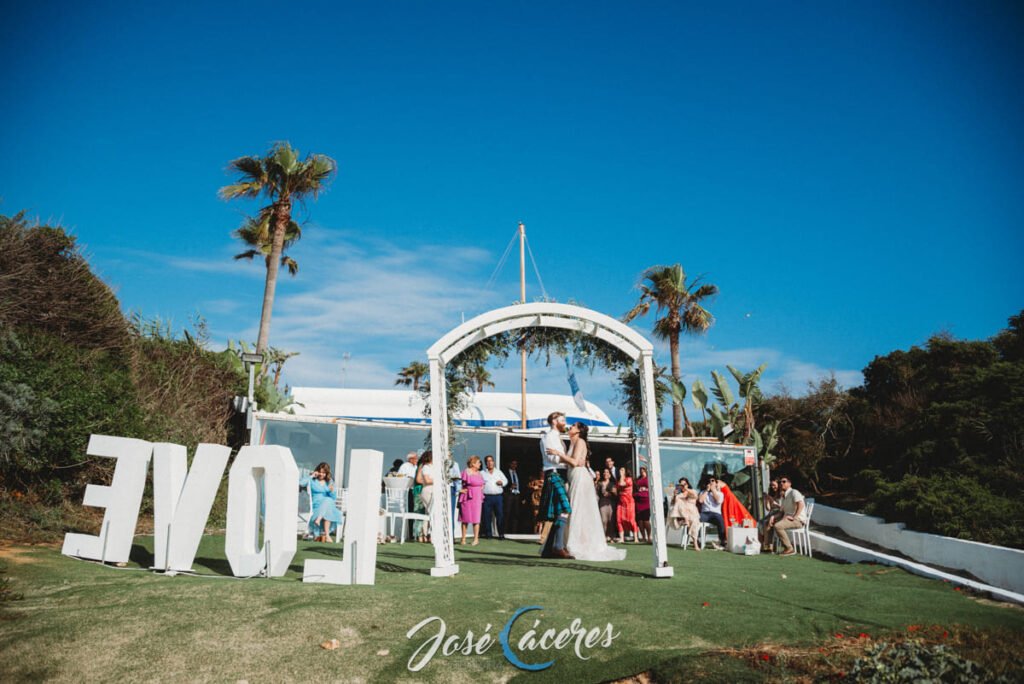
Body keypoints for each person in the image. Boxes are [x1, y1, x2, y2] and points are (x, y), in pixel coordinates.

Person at [564, 423, 627, 561]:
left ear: (579, 431)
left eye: (573, 426)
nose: (570, 427)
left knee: (578, 508)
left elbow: (575, 462)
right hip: (573, 476)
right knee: (576, 509)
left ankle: (578, 544)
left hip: (580, 477)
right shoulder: (571, 443)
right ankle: (576, 541)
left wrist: (559, 454)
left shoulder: (580, 441)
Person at [538, 411, 574, 558]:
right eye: (562, 420)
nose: (565, 423)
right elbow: (552, 458)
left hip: (561, 474)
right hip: (554, 474)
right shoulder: (548, 437)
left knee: (559, 512)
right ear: (554, 421)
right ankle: (558, 547)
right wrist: (572, 460)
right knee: (564, 509)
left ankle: (549, 550)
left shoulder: (558, 438)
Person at [301, 462, 344, 542]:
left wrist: (331, 491)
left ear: (326, 473)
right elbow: (301, 483)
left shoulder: (329, 481)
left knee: (328, 502)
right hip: (316, 504)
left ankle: (321, 524)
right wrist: (312, 475)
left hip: (327, 504)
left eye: (324, 473)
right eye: (320, 472)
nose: (321, 474)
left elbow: (333, 498)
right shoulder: (312, 480)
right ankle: (327, 536)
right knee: (328, 503)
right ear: (317, 471)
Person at [765, 476, 807, 556]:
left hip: (798, 520)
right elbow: (781, 512)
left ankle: (789, 548)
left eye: (784, 481)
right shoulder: (784, 496)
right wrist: (773, 517)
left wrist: (794, 517)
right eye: (780, 482)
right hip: (788, 519)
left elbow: (801, 505)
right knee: (768, 522)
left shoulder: (794, 492)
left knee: (778, 526)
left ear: (789, 483)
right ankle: (769, 547)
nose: (781, 483)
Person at [668, 478, 701, 550]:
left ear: (687, 484)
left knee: (694, 521)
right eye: (681, 485)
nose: (682, 486)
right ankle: (685, 519)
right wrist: (674, 495)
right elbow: (673, 504)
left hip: (692, 512)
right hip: (681, 514)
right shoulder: (679, 494)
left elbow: (695, 496)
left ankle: (695, 543)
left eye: (684, 484)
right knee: (678, 501)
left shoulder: (692, 491)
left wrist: (686, 489)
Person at [458, 456, 485, 545]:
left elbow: (482, 483)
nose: (480, 464)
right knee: (465, 518)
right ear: (473, 463)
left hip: (477, 497)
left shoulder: (480, 473)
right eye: (478, 462)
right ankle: (463, 539)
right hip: (467, 496)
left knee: (476, 518)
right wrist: (460, 490)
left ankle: (476, 539)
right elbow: (457, 482)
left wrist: (481, 488)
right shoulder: (466, 472)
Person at [480, 455, 507, 539]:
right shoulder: (482, 473)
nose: (490, 462)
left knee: (500, 515)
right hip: (487, 497)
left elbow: (505, 480)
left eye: (491, 461)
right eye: (488, 461)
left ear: (493, 462)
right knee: (487, 516)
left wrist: (501, 482)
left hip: (498, 497)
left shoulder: (498, 472)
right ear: (485, 463)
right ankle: (488, 534)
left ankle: (501, 534)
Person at [697, 476, 727, 549]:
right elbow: (700, 501)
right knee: (696, 519)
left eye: (712, 481)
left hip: (715, 513)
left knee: (720, 520)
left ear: (716, 483)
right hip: (705, 513)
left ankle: (722, 541)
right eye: (709, 481)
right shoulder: (703, 492)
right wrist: (707, 491)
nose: (710, 482)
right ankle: (698, 540)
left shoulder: (720, 493)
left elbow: (718, 501)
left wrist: (713, 490)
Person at [616, 467, 640, 544]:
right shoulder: (619, 479)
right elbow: (617, 486)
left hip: (629, 502)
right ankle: (621, 538)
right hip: (621, 502)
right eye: (620, 470)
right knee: (619, 519)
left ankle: (636, 538)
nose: (620, 471)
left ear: (626, 472)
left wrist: (622, 476)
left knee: (631, 520)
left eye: (622, 470)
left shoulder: (628, 479)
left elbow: (622, 484)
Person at [415, 451, 435, 543]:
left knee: (429, 512)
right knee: (431, 512)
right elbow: (425, 480)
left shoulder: (433, 467)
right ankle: (427, 534)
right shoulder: (425, 467)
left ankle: (427, 534)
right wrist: (437, 480)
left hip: (432, 490)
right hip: (428, 490)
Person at [758, 479, 784, 544]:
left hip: (780, 513)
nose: (773, 487)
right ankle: (761, 544)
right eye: (771, 485)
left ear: (778, 485)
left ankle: (767, 544)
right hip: (772, 513)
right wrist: (766, 500)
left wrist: (773, 502)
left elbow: (782, 507)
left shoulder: (782, 494)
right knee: (759, 523)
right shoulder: (772, 495)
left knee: (766, 523)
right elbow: (768, 509)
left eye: (774, 485)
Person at [596, 468, 617, 540]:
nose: (605, 473)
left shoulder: (612, 484)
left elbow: (616, 493)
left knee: (611, 520)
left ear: (610, 475)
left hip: (610, 502)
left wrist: (612, 493)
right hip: (602, 502)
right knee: (603, 520)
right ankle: (603, 536)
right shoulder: (600, 483)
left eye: (607, 472)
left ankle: (611, 536)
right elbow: (596, 493)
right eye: (604, 472)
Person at [504, 459, 523, 534]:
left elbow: (522, 484)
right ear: (509, 464)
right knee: (507, 513)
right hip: (509, 495)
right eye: (513, 464)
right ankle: (505, 531)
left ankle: (514, 532)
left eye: (516, 464)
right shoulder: (505, 473)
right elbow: (503, 484)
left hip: (517, 495)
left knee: (516, 514)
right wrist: (510, 487)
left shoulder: (519, 473)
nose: (514, 465)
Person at [635, 466, 652, 543]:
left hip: (646, 500)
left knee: (646, 520)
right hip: (639, 500)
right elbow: (635, 488)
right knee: (640, 521)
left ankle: (649, 537)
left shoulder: (649, 478)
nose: (642, 472)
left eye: (643, 470)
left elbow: (651, 487)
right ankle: (643, 537)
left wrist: (646, 489)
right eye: (641, 470)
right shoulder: (638, 479)